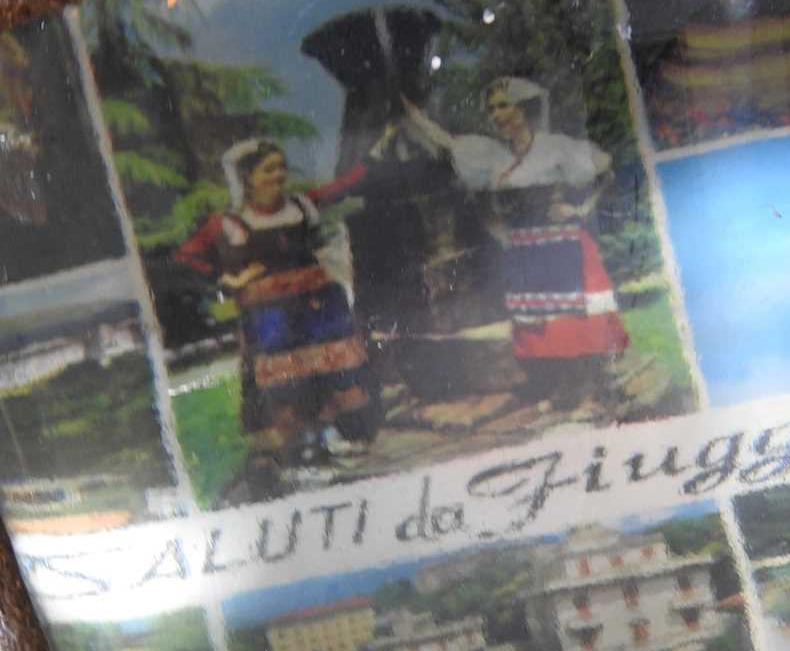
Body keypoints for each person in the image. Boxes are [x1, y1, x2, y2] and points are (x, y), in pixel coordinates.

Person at [175, 134, 393, 495]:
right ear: (247, 177)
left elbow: (342, 185)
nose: (278, 175)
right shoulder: (230, 222)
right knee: (285, 384)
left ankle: (341, 439)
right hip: (270, 316)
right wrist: (230, 278)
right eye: (268, 169)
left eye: (281, 167)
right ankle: (303, 452)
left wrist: (376, 150)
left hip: (318, 306)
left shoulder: (300, 205)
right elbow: (186, 257)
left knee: (336, 371)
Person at [403, 77, 629, 407]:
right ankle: (556, 384)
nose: (496, 114)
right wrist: (411, 113)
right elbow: (447, 143)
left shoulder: (554, 146)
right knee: (538, 321)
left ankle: (583, 384)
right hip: (523, 246)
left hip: (561, 243)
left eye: (503, 105)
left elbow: (607, 170)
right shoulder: (492, 154)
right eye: (491, 108)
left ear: (523, 108)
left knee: (571, 317)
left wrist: (579, 208)